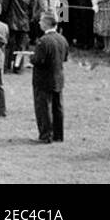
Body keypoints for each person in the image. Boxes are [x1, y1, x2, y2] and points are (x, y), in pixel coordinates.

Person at [31, 12, 68, 143]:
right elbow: (64, 57)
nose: (39, 23)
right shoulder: (62, 39)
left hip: (43, 79)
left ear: (46, 23)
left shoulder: (43, 41)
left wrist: (31, 57)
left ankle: (46, 135)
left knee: (43, 107)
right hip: (58, 77)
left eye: (41, 21)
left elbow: (38, 60)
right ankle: (58, 134)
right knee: (57, 107)